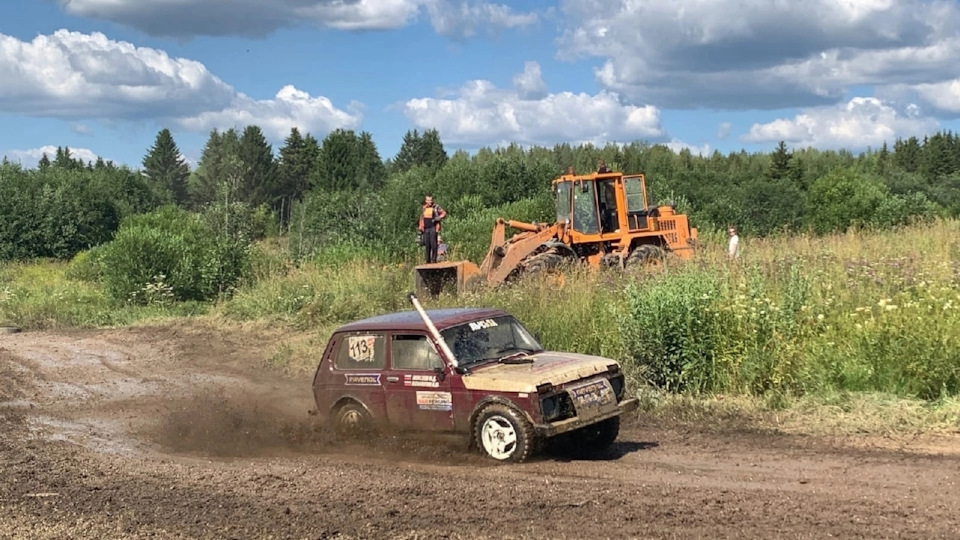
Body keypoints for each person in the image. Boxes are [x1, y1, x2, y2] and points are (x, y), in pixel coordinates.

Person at [418, 195, 447, 264]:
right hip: (426, 228)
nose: (430, 201)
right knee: (427, 245)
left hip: (433, 227)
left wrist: (439, 217)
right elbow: (421, 217)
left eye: (431, 200)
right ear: (426, 201)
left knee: (433, 244)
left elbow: (444, 213)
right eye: (428, 200)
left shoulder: (436, 206)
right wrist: (420, 226)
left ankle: (434, 260)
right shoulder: (424, 208)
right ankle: (427, 261)